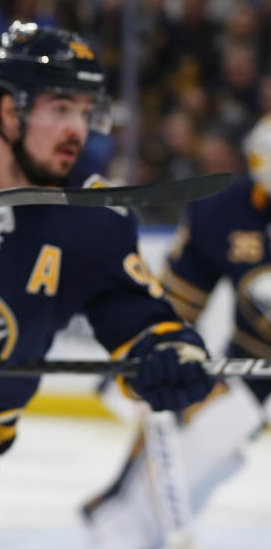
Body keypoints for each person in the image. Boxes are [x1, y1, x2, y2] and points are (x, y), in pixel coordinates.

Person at [0, 21, 215, 549]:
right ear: (10, 111)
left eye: (84, 111)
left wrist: (168, 351)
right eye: (60, 108)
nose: (77, 129)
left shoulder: (95, 219)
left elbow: (135, 314)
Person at [82, 115, 271, 549]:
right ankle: (121, 522)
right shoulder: (225, 212)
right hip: (252, 365)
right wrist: (156, 352)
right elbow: (176, 307)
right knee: (215, 428)